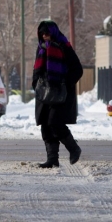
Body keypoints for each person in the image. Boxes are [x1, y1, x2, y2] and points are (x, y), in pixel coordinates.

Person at [32, 20, 84, 168]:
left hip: (60, 93)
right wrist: (35, 83)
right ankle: (52, 159)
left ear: (53, 32)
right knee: (45, 125)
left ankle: (74, 148)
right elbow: (37, 69)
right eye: (42, 34)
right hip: (43, 92)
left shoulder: (63, 46)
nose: (44, 36)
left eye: (47, 33)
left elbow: (77, 69)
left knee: (55, 122)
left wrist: (65, 84)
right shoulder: (41, 47)